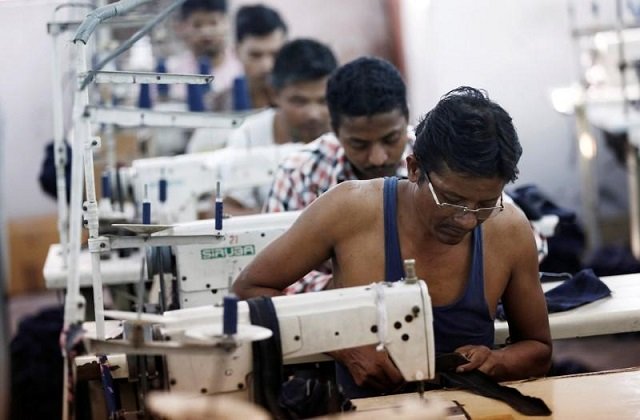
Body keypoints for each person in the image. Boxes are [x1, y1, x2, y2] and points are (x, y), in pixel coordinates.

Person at [233, 86, 552, 397]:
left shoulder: (509, 229)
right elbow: (250, 289)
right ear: (414, 169)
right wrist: (343, 345)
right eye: (451, 199)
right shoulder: (349, 210)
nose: (467, 219)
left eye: (485, 204)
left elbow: (538, 349)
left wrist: (497, 361)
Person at [263, 56, 414, 292]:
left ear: (406, 119)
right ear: (334, 129)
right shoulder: (298, 174)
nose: (377, 157)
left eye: (390, 139)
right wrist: (353, 285)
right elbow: (271, 273)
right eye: (359, 144)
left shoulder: (433, 164)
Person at [222, 38, 338, 213]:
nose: (313, 114)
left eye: (323, 101)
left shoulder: (347, 133)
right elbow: (227, 210)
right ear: (274, 93)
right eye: (299, 101)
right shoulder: (248, 136)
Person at [220, 4, 288, 110]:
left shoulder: (298, 104)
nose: (267, 66)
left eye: (275, 55)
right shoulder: (217, 106)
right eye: (255, 55)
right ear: (236, 52)